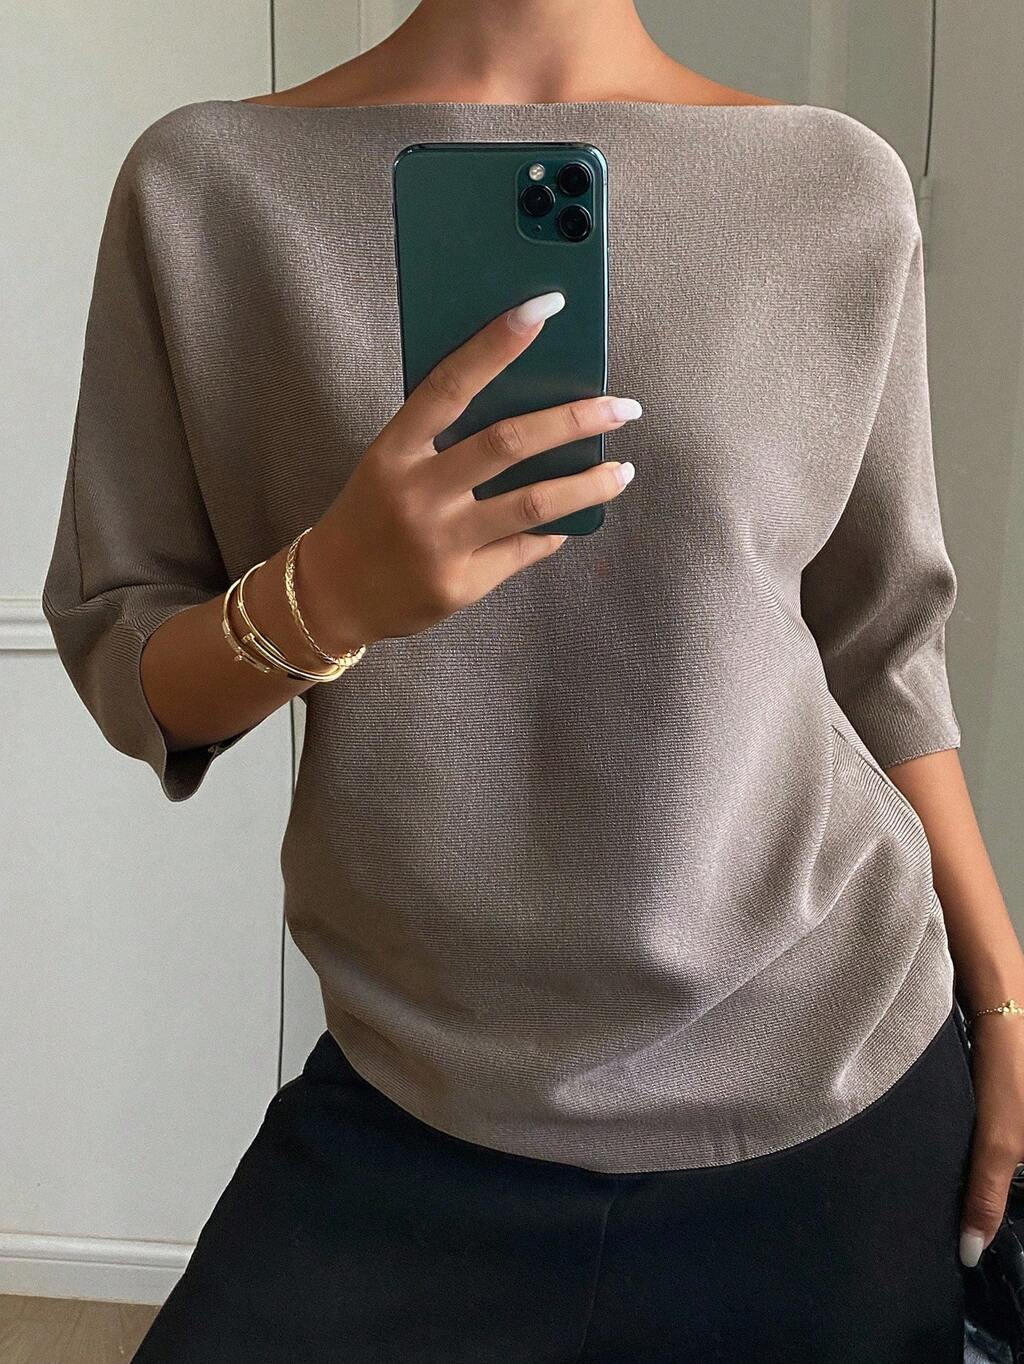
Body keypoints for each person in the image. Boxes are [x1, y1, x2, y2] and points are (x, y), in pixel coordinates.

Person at [41, 0, 1024, 1359]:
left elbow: (881, 640)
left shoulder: (830, 182)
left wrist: (999, 988)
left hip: (828, 1070)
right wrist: (327, 596)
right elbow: (127, 662)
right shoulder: (206, 188)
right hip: (418, 1093)